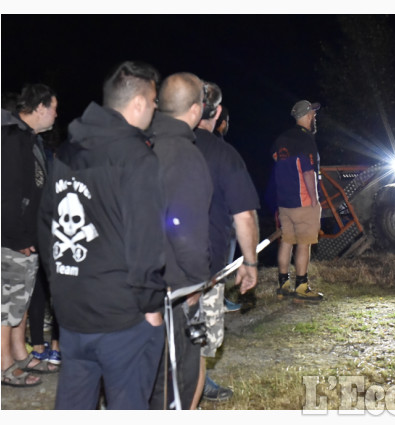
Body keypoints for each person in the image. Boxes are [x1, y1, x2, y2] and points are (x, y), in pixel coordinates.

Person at [38, 61, 167, 409]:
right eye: (154, 101)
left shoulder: (66, 150)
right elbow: (146, 242)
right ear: (138, 102)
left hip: (73, 312)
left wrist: (60, 286)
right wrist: (151, 305)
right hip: (122, 318)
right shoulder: (137, 157)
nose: (156, 109)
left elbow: (47, 225)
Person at [191, 82, 260, 405]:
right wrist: (250, 263)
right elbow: (244, 216)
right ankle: (193, 391)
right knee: (199, 340)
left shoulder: (154, 145)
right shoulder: (223, 153)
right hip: (204, 270)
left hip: (155, 269)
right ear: (217, 113)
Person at [148, 72, 212, 410]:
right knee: (174, 384)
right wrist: (196, 283)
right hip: (173, 292)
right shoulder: (186, 157)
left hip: (136, 289)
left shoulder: (142, 144)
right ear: (195, 109)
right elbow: (186, 232)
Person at [2, 83, 60, 388]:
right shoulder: (11, 138)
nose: (55, 114)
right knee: (5, 304)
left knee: (18, 304)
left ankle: (17, 354)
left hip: (28, 238)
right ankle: (4, 365)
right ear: (39, 108)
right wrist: (17, 238)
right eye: (53, 107)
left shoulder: (29, 138)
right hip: (13, 240)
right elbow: (8, 196)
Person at [271, 100, 324, 302]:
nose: (315, 116)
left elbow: (278, 162)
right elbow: (308, 171)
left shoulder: (281, 139)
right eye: (313, 113)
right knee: (304, 244)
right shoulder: (306, 140)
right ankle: (301, 287)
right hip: (303, 201)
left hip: (284, 202)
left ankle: (283, 284)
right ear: (309, 115)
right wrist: (315, 200)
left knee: (286, 241)